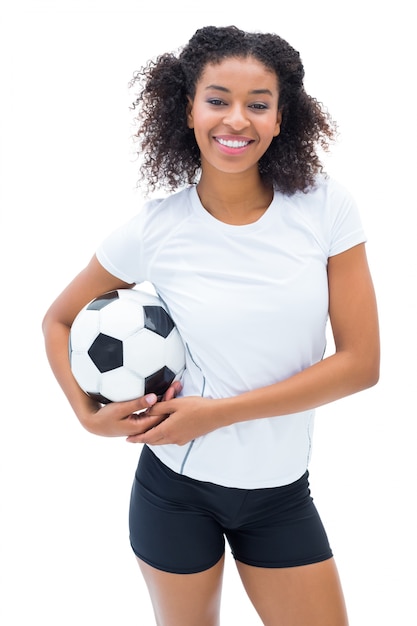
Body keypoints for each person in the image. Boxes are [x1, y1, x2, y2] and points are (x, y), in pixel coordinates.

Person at [42, 25, 380, 626]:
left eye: (258, 104)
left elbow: (361, 365)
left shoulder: (327, 208)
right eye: (218, 100)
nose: (237, 121)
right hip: (173, 491)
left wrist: (218, 413)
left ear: (282, 119)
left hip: (279, 495)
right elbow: (59, 319)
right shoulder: (156, 229)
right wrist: (86, 415)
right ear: (188, 110)